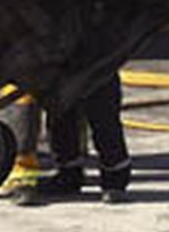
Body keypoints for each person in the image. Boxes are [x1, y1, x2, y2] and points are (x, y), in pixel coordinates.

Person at [18, 74, 132, 205]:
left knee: (102, 111)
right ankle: (69, 174)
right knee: (61, 110)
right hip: (62, 63)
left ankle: (115, 179)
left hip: (97, 62)